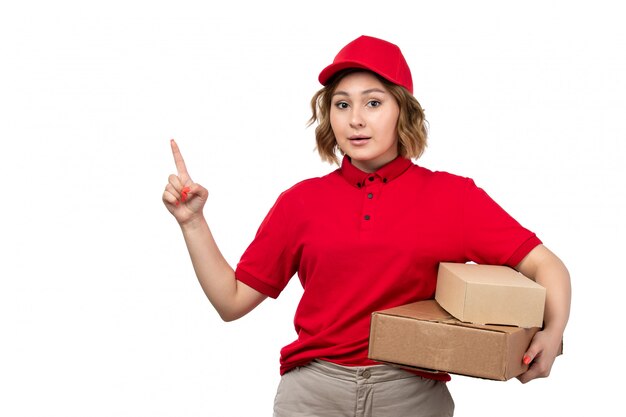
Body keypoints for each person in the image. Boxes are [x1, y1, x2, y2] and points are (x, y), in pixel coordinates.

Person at [162, 35, 571, 417]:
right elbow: (231, 302)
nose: (355, 119)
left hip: (411, 394)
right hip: (312, 393)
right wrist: (193, 222)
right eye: (342, 105)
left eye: (373, 103)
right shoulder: (300, 202)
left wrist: (552, 334)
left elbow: (545, 265)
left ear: (402, 111)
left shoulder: (454, 197)